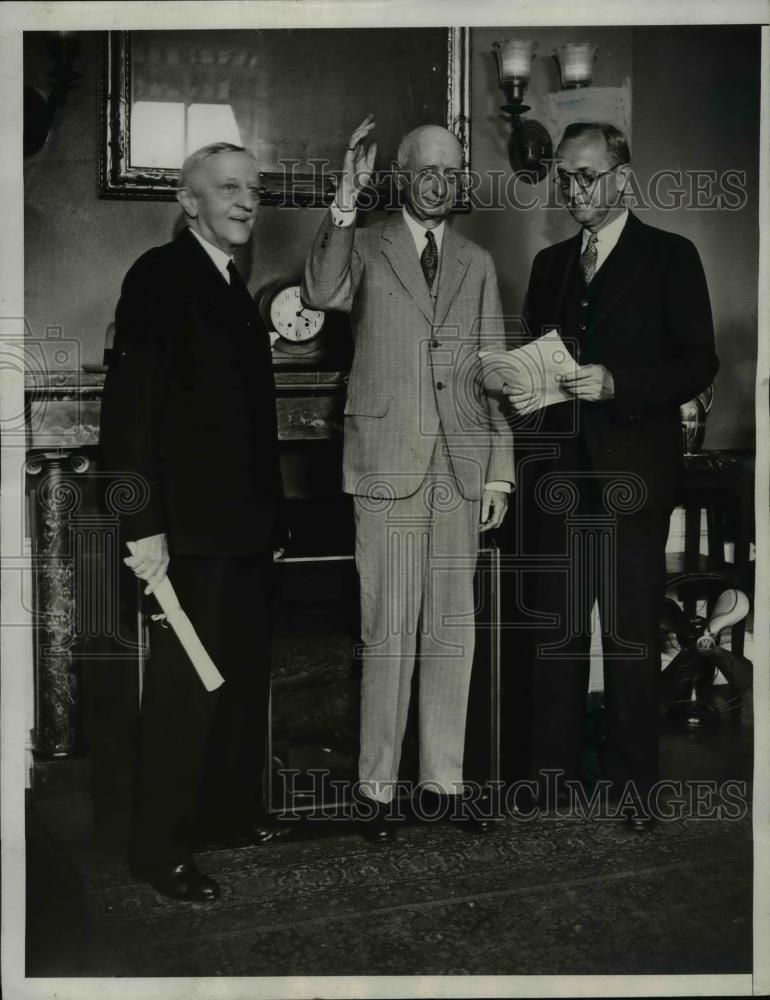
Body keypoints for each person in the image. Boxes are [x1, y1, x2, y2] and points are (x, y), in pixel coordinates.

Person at [302, 117, 514, 843]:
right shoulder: (364, 243)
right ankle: (376, 788)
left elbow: (491, 375)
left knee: (453, 628)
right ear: (399, 176)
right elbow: (321, 289)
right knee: (386, 629)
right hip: (387, 463)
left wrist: (499, 475)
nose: (440, 183)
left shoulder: (477, 263)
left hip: (459, 467)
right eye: (427, 170)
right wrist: (344, 200)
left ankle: (444, 783)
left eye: (452, 173)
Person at [505, 123, 718, 828]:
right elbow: (537, 357)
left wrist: (618, 383)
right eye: (565, 177)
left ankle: (635, 787)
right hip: (560, 476)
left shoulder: (671, 256)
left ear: (624, 178)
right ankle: (550, 777)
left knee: (628, 635)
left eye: (587, 176)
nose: (573, 190)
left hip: (633, 476)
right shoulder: (550, 264)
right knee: (558, 632)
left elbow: (697, 362)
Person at [100, 142, 287, 902]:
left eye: (254, 189)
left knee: (236, 680)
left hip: (240, 530)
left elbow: (247, 423)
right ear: (189, 201)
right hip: (186, 533)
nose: (247, 201)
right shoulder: (158, 276)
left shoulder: (231, 283)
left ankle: (222, 814)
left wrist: (272, 523)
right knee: (185, 690)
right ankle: (159, 848)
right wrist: (142, 527)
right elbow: (131, 413)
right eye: (229, 189)